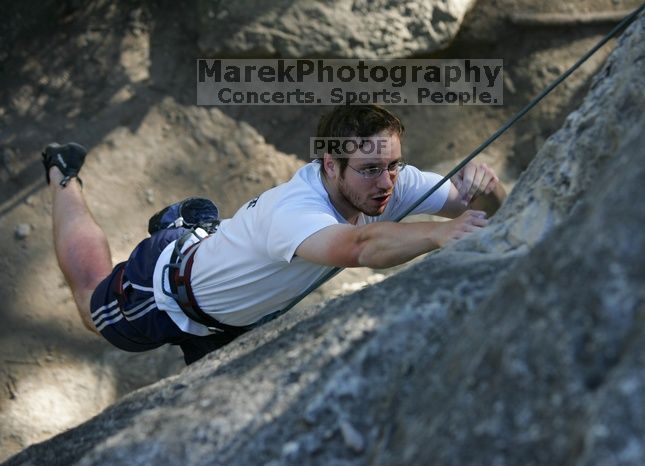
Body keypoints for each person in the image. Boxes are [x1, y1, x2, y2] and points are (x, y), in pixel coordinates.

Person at [43, 105, 506, 364]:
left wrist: (486, 190)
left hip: (231, 322)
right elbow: (360, 247)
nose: (386, 183)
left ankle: (188, 226)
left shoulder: (390, 184)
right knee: (89, 301)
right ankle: (64, 176)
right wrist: (438, 235)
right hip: (165, 295)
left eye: (392, 165)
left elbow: (483, 211)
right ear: (329, 165)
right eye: (369, 170)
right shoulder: (296, 209)